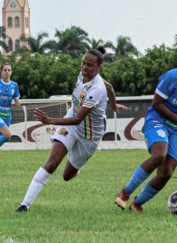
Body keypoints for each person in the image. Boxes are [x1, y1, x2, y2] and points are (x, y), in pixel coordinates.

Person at [16, 47, 127, 212]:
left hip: (89, 135)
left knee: (67, 176)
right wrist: (114, 105)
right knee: (52, 162)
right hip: (71, 124)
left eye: (89, 65)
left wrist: (49, 121)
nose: (84, 67)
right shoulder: (83, 75)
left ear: (98, 68)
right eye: (83, 63)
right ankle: (25, 204)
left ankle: (76, 167)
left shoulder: (97, 89)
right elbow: (110, 87)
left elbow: (78, 118)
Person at [115, 41, 177, 212]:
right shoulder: (172, 77)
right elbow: (157, 103)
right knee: (159, 155)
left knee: (166, 173)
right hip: (157, 120)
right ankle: (125, 192)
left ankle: (137, 204)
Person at [0, 63, 20, 147]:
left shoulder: (14, 85)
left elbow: (16, 99)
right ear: (1, 72)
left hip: (7, 114)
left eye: (9, 70)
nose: (7, 72)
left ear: (11, 72)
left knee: (3, 137)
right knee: (8, 135)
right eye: (5, 70)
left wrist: (18, 102)